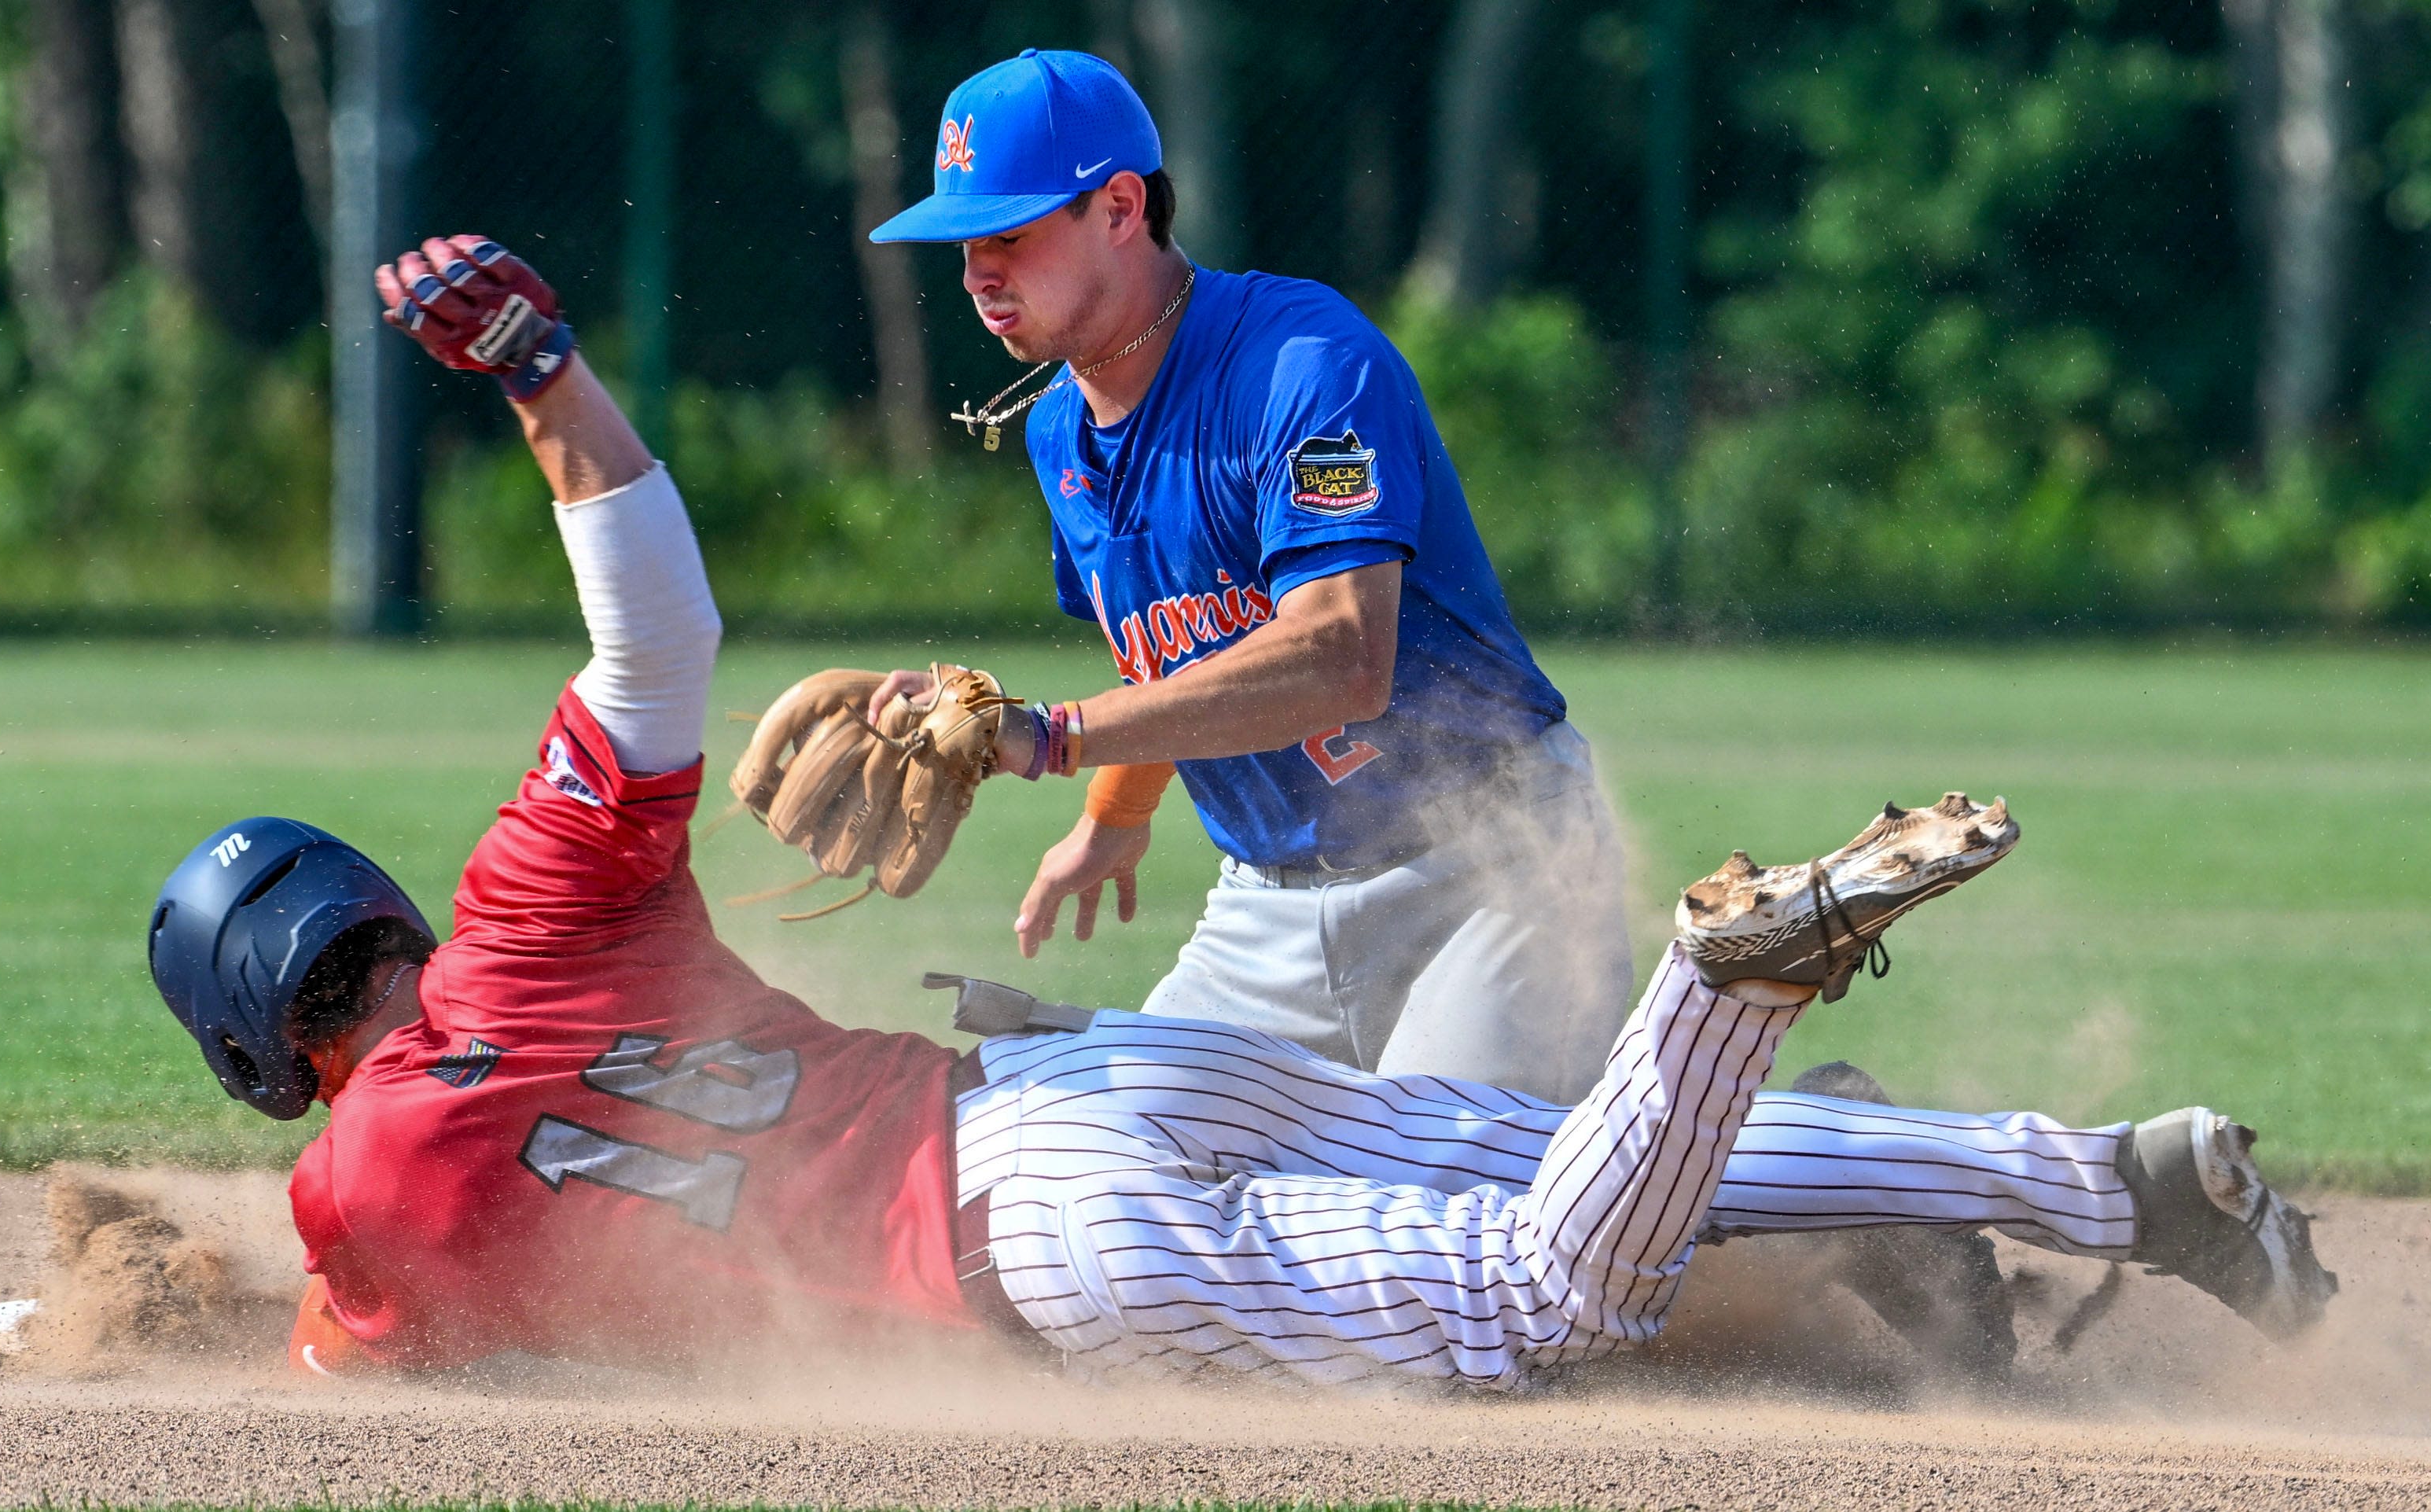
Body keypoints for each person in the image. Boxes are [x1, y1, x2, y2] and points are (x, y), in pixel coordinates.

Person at [144, 235, 2334, 1381]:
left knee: (1525, 1299)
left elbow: (374, 1366)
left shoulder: (355, 1199)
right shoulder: (532, 911)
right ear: (384, 912)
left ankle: (1713, 987)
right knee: (1518, 1156)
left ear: (260, 1057)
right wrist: (539, 366)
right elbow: (654, 636)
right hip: (1075, 1093)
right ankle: (2116, 1182)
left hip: (1046, 1244)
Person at [862, 50, 1628, 1105]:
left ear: (1120, 207)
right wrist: (1113, 818)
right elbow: (1170, 658)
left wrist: (1054, 741)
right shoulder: (1057, 432)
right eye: (962, 246)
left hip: (1486, 869)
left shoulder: (1302, 366)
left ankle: (1811, 1182)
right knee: (1103, 1171)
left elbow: (1339, 657)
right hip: (1263, 912)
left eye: (1007, 235)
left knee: (1450, 1235)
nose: (977, 274)